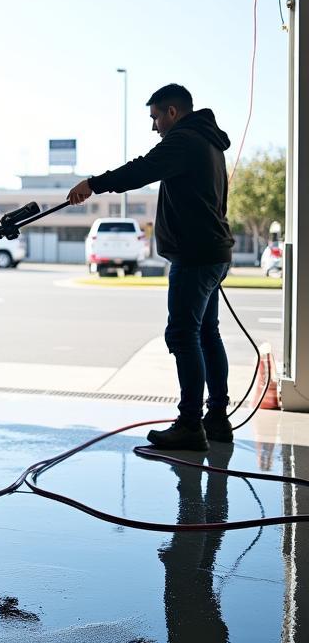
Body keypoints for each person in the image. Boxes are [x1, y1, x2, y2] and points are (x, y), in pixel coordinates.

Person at [67, 84, 234, 450]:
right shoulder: (208, 142)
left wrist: (93, 184)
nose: (155, 126)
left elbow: (141, 169)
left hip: (194, 257)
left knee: (183, 335)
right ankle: (217, 419)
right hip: (213, 253)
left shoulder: (185, 140)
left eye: (156, 117)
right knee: (207, 334)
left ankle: (191, 424)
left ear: (172, 112)